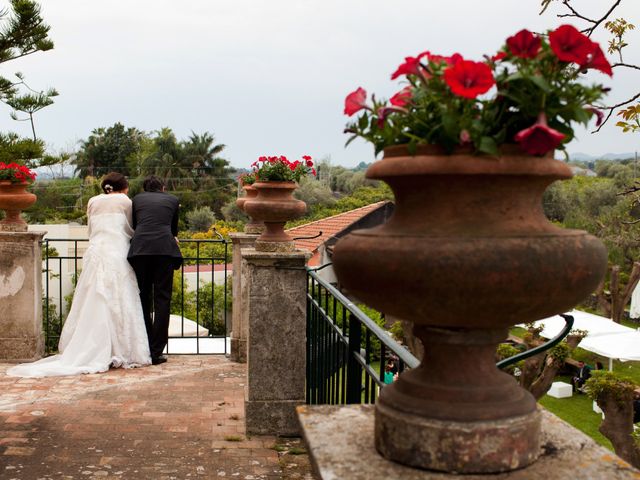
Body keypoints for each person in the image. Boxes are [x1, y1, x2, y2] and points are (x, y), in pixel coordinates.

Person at [7, 173, 151, 377]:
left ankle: (91, 346)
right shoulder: (124, 201)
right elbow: (129, 228)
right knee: (120, 296)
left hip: (96, 251)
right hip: (116, 250)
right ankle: (121, 348)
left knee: (92, 297)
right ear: (124, 187)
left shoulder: (93, 201)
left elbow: (91, 230)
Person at [127, 175, 182, 365]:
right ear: (163, 188)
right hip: (164, 250)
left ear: (144, 188)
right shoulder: (173, 200)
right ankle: (157, 351)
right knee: (162, 299)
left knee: (142, 298)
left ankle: (144, 347)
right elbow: (173, 229)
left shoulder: (136, 200)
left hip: (140, 250)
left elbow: (135, 225)